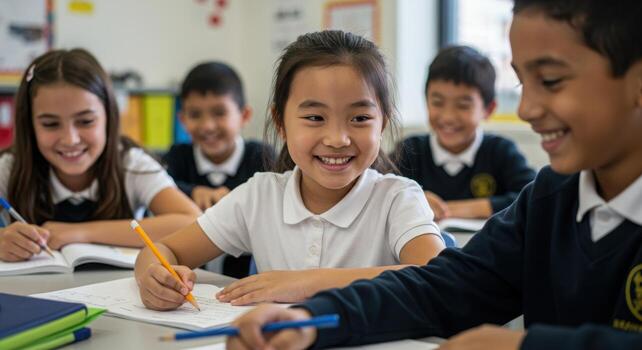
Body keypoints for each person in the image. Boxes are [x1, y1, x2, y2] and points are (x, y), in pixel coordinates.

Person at [227, 1, 642, 349]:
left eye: (550, 81)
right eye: (523, 81)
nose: (527, 109)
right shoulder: (551, 197)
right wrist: (312, 318)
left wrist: (523, 346)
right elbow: (443, 287)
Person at [134, 30, 445, 310]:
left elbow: (437, 277)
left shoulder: (398, 198)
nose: (337, 139)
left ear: (383, 124)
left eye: (360, 118)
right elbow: (163, 249)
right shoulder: (259, 196)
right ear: (281, 123)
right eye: (314, 118)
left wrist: (307, 283)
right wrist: (154, 277)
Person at [0, 49, 201, 262]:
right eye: (50, 124)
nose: (70, 139)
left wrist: (79, 233)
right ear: (29, 125)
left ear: (109, 116)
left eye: (86, 121)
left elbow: (193, 222)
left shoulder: (131, 164)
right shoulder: (10, 168)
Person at [397, 45, 535, 220]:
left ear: (488, 109)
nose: (448, 117)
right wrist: (411, 199)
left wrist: (453, 210)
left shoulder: (500, 151)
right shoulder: (410, 150)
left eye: (463, 106)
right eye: (437, 102)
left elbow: (533, 196)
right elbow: (375, 190)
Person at [163, 61, 274, 278]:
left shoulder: (262, 157)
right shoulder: (178, 156)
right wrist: (193, 191)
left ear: (244, 115)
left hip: (247, 283)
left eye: (219, 113)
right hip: (191, 282)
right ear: (182, 119)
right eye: (195, 115)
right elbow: (160, 189)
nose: (207, 126)